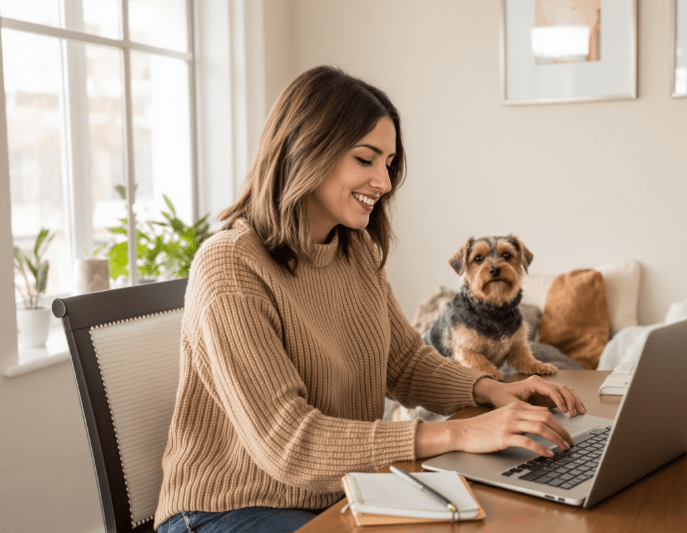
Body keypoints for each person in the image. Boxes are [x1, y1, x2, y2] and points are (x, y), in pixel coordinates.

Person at [154, 65, 586, 533]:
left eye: (388, 163)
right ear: (305, 150)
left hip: (343, 488)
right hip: (229, 509)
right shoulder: (230, 266)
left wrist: (490, 390)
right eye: (366, 159)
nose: (383, 182)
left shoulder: (352, 249)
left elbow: (404, 362)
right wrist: (459, 431)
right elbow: (289, 445)